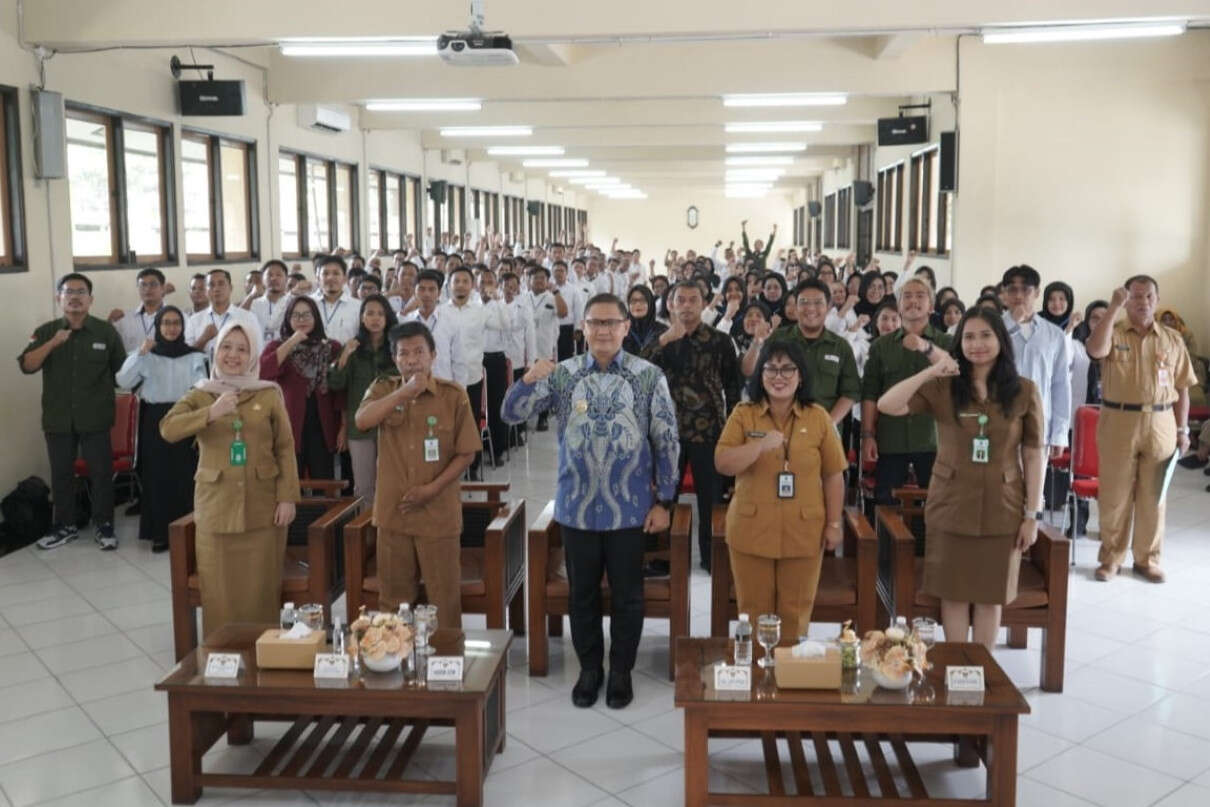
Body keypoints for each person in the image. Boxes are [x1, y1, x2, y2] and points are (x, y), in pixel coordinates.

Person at [501, 294, 680, 709]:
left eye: (610, 323)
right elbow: (512, 415)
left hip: (630, 508)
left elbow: (667, 439)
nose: (602, 330)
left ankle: (620, 671)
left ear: (624, 328)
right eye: (594, 323)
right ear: (583, 328)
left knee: (628, 596)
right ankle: (589, 669)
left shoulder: (648, 376)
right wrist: (528, 380)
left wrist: (664, 502)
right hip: (577, 506)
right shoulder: (562, 376)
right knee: (581, 594)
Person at [877, 308, 1045, 649]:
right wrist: (932, 372)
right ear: (959, 343)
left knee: (989, 596)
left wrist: (1032, 515)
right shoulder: (944, 388)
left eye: (985, 335)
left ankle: (981, 669)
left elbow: (1033, 454)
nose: (977, 344)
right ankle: (956, 666)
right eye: (968, 337)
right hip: (950, 506)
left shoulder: (1024, 391)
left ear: (1000, 340)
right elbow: (887, 404)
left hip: (1003, 507)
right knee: (951, 595)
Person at [160, 323, 299, 637]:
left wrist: (288, 496)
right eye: (226, 347)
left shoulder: (268, 392)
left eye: (242, 348)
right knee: (219, 591)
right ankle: (223, 658)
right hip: (216, 507)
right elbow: (168, 429)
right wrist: (210, 412)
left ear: (252, 354)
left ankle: (263, 659)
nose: (233, 355)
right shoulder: (201, 393)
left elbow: (285, 447)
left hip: (264, 509)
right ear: (215, 350)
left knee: (261, 590)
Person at [715, 339, 846, 641]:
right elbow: (723, 463)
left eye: (788, 368)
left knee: (795, 611)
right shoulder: (743, 413)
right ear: (759, 374)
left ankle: (788, 679)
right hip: (751, 529)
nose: (779, 376)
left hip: (804, 531)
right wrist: (759, 446)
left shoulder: (818, 417)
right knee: (753, 610)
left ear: (801, 376)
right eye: (771, 368)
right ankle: (758, 677)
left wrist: (835, 524)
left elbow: (833, 475)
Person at [355, 322, 481, 627]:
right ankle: (394, 666)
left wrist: (432, 489)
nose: (412, 360)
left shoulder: (453, 395)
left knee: (444, 601)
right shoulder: (383, 389)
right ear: (395, 359)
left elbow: (467, 452)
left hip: (438, 514)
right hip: (393, 515)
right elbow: (362, 421)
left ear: (433, 355)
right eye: (404, 354)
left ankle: (447, 668)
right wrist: (403, 393)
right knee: (392, 604)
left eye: (419, 352)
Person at [1085, 276, 1197, 583]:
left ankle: (1147, 559)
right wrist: (1112, 308)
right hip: (1118, 421)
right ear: (1126, 299)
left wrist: (1183, 429)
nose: (1142, 302)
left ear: (1156, 300)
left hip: (1161, 422)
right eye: (1135, 296)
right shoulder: (1114, 331)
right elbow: (1095, 350)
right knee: (1114, 495)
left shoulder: (1172, 339)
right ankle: (1110, 559)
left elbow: (1183, 388)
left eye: (1148, 296)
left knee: (1154, 496)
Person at [20, 273, 126, 551]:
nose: (75, 297)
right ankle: (64, 526)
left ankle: (104, 526)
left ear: (90, 300)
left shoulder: (105, 332)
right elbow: (27, 365)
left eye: (81, 292)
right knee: (62, 474)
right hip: (58, 418)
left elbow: (123, 374)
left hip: (96, 418)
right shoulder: (46, 331)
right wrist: (53, 343)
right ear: (59, 299)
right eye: (68, 292)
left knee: (101, 474)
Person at [642, 281, 743, 571]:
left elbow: (733, 387)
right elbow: (637, 373)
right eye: (680, 300)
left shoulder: (719, 341)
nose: (686, 305)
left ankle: (712, 558)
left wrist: (733, 431)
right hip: (666, 432)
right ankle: (663, 558)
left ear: (703, 303)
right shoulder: (659, 339)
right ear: (670, 305)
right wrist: (663, 342)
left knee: (711, 497)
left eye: (693, 300)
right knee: (664, 495)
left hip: (708, 430)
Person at [115, 306, 207, 552]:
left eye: (176, 322)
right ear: (157, 326)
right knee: (157, 477)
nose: (171, 327)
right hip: (154, 419)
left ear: (183, 326)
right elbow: (123, 381)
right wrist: (140, 354)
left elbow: (203, 388)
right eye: (165, 322)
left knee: (187, 476)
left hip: (186, 416)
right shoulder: (147, 354)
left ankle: (190, 532)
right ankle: (161, 534)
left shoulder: (195, 355)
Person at [861, 277, 953, 505]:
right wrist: (868, 435)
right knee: (885, 505)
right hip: (891, 439)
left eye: (920, 296)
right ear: (899, 305)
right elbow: (870, 394)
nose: (913, 301)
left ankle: (928, 543)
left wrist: (926, 348)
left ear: (931, 306)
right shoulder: (881, 346)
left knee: (937, 505)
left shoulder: (947, 342)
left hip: (935, 439)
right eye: (907, 296)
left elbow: (955, 375)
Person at [744, 280, 860, 427]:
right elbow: (749, 372)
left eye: (818, 302)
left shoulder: (841, 346)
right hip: (778, 429)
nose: (811, 308)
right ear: (796, 307)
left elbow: (850, 392)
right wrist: (757, 341)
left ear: (829, 307)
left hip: (824, 431)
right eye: (803, 302)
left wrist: (828, 424)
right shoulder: (777, 338)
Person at [260, 296, 342, 480]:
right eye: (296, 316)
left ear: (316, 318)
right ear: (288, 320)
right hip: (289, 426)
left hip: (323, 426)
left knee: (324, 483)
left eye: (307, 315)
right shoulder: (277, 346)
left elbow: (340, 390)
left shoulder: (331, 347)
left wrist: (343, 426)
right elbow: (263, 372)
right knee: (291, 484)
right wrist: (291, 341)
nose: (302, 320)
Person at [328, 294, 399, 505]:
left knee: (391, 483)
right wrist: (344, 357)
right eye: (369, 313)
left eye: (380, 313)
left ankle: (389, 532)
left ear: (387, 318)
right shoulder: (353, 348)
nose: (375, 318)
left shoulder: (396, 348)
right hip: (359, 428)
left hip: (392, 423)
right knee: (363, 487)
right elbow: (336, 384)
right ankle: (366, 535)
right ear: (361, 318)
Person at [1000, 266, 1071, 468]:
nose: (1019, 296)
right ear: (1004, 294)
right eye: (1012, 290)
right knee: (1001, 490)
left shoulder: (1054, 334)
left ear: (1037, 293)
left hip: (1040, 422)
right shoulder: (992, 329)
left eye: (1026, 289)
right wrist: (1013, 324)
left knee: (1034, 491)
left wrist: (1059, 433)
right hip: (999, 421)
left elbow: (1060, 385)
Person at [443, 265, 510, 476]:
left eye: (465, 281)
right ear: (449, 285)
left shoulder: (480, 311)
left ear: (472, 286)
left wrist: (497, 300)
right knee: (446, 423)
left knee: (471, 422)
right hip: (446, 377)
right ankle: (447, 465)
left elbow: (503, 324)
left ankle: (472, 465)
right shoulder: (441, 311)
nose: (461, 285)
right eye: (457, 281)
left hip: (472, 376)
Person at [401, 269, 465, 385]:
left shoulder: (451, 321)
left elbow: (459, 362)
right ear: (414, 292)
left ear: (439, 293)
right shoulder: (406, 321)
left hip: (444, 386)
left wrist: (460, 392)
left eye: (432, 289)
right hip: (412, 387)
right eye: (421, 289)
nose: (426, 294)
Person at [185, 269, 261, 360]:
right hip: (205, 373)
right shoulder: (194, 320)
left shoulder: (248, 318)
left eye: (221, 284)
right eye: (211, 285)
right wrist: (203, 339)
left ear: (230, 288)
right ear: (206, 291)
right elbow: (187, 357)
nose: (216, 289)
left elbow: (258, 352)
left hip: (239, 372)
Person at [110, 267, 167, 354]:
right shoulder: (124, 319)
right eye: (143, 285)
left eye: (153, 284)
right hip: (133, 366)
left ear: (163, 288)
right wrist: (109, 322)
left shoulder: (178, 318)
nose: (147, 289)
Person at [313, 255, 361, 344]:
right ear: (317, 278)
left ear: (345, 278)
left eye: (336, 273)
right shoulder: (309, 303)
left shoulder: (358, 306)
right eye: (325, 274)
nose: (330, 277)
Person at [249, 260, 291, 343]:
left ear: (286, 279)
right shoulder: (254, 305)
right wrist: (251, 296)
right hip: (260, 353)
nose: (274, 278)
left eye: (278, 275)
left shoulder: (293, 303)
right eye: (269, 275)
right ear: (262, 279)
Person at [621, 285, 667, 355]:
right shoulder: (621, 331)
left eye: (642, 300)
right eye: (633, 301)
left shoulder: (662, 330)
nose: (638, 304)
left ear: (650, 303)